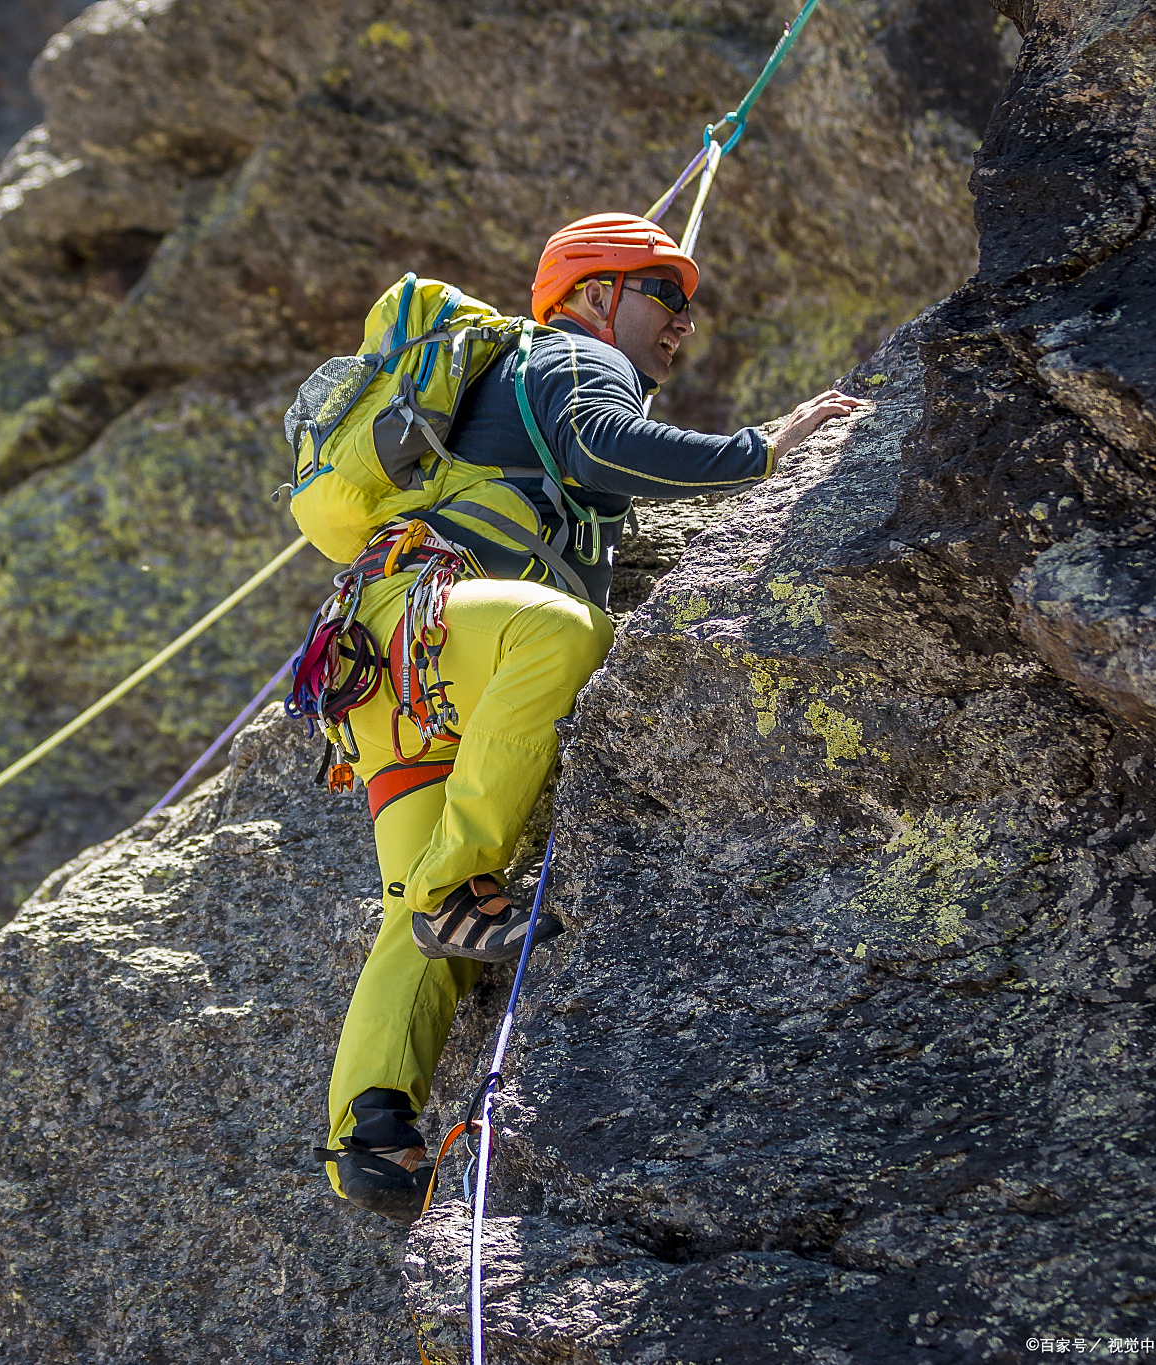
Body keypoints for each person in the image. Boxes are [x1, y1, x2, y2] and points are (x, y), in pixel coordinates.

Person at [319, 214, 865, 1222]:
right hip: (442, 632)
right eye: (664, 294)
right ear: (594, 291)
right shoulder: (567, 354)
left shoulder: (511, 381)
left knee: (417, 924)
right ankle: (453, 884)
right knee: (558, 635)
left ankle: (369, 1136)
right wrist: (760, 449)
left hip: (382, 674)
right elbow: (599, 445)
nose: (682, 322)